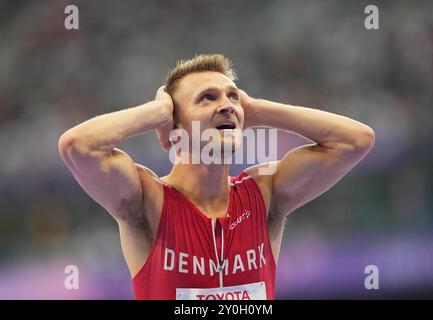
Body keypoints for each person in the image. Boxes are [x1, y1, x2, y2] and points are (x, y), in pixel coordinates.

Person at [58, 54, 375, 300]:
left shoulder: (264, 194)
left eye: (232, 96)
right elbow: (78, 146)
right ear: (175, 124)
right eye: (206, 98)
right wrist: (157, 113)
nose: (226, 106)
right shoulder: (147, 200)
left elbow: (356, 141)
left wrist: (256, 110)